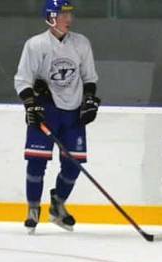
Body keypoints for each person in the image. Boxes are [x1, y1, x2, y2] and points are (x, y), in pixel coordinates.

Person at [14, 0, 100, 233]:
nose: (68, 19)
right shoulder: (36, 45)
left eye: (69, 14)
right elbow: (22, 80)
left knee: (74, 165)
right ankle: (33, 208)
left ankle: (58, 204)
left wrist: (90, 100)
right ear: (51, 17)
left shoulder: (81, 43)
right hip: (47, 109)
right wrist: (31, 104)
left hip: (73, 112)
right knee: (36, 161)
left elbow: (89, 77)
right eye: (63, 14)